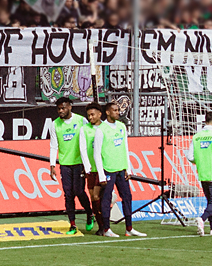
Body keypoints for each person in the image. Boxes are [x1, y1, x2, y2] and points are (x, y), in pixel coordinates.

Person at [90, 101, 146, 238]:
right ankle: (106, 229)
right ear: (108, 112)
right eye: (114, 110)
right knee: (106, 199)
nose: (117, 112)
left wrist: (128, 168)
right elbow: (97, 154)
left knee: (127, 197)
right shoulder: (101, 130)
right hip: (108, 169)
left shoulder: (121, 126)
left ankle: (129, 228)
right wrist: (101, 174)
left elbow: (125, 148)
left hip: (121, 169)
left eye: (118, 110)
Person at [47, 97, 95, 235]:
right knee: (68, 195)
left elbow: (90, 136)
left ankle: (89, 213)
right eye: (59, 109)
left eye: (63, 108)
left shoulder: (81, 120)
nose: (61, 111)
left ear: (70, 107)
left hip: (79, 163)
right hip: (65, 164)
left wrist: (88, 162)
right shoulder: (55, 124)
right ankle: (72, 225)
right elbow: (53, 145)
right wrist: (52, 164)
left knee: (79, 191)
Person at [83, 102, 105, 231]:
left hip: (104, 168)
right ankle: (101, 225)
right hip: (91, 169)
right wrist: (86, 166)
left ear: (99, 114)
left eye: (92, 115)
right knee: (93, 197)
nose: (90, 117)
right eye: (89, 115)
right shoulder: (85, 129)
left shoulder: (105, 128)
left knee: (97, 196)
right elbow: (83, 149)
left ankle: (103, 226)